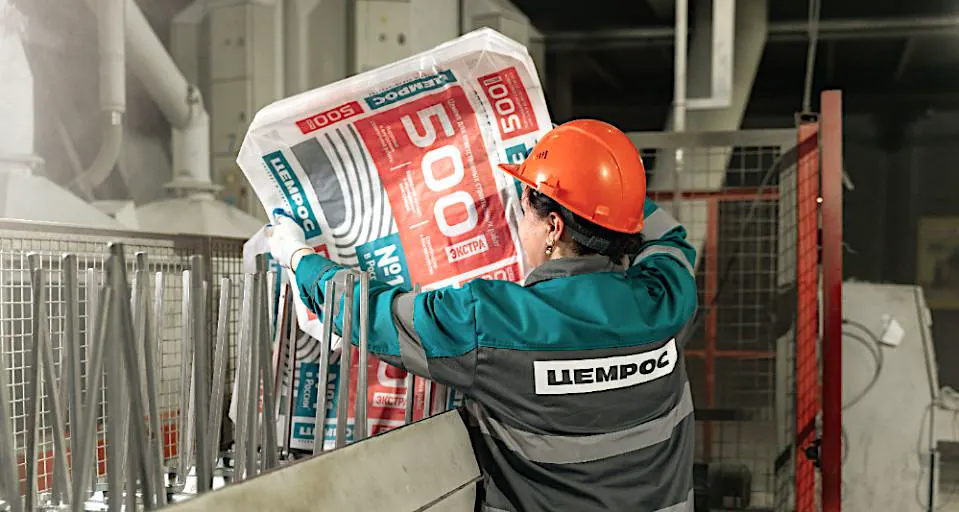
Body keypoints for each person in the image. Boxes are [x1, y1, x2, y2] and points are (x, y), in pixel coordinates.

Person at [267, 119, 698, 511]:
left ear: (553, 227)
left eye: (525, 208)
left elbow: (372, 314)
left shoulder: (494, 322)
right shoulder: (667, 297)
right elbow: (670, 238)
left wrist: (298, 258)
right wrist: (599, 179)